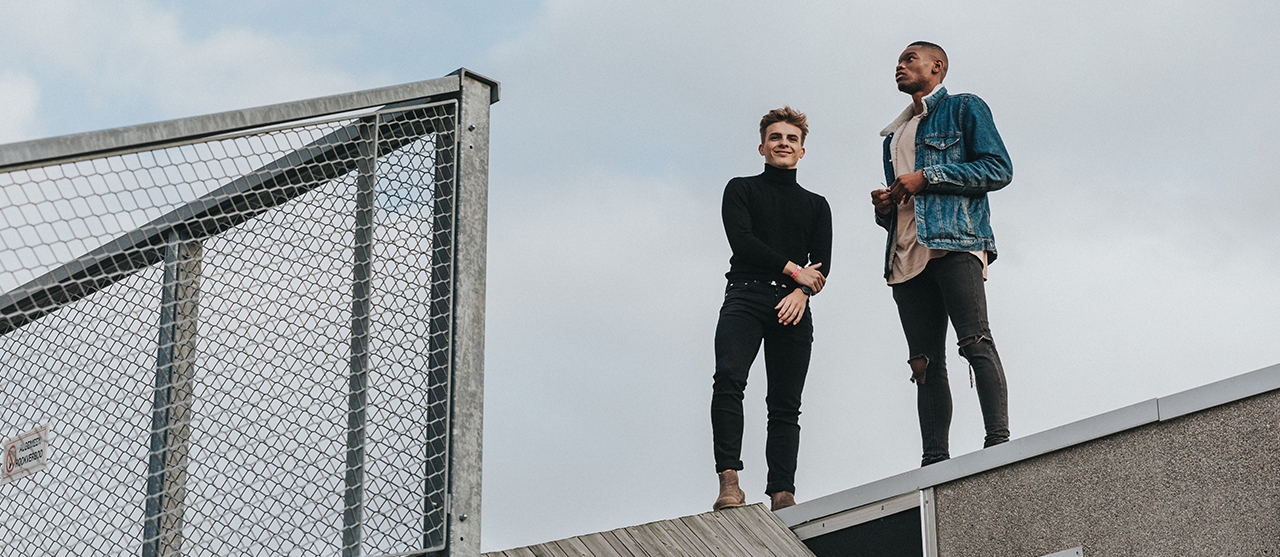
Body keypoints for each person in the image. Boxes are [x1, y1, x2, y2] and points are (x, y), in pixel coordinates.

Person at [870, 42, 1013, 467]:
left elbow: (998, 168)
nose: (899, 64)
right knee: (924, 365)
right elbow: (909, 202)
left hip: (955, 243)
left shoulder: (965, 107)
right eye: (898, 60)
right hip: (905, 255)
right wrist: (886, 209)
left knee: (974, 339)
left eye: (909, 59)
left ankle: (1000, 445)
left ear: (938, 67)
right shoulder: (892, 137)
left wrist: (927, 176)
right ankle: (934, 462)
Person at [712, 106, 832, 512]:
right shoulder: (741, 189)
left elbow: (822, 265)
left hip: (793, 304)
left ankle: (783, 492)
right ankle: (730, 481)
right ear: (762, 147)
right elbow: (743, 242)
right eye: (776, 138)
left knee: (785, 402)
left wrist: (802, 293)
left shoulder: (817, 205)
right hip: (746, 295)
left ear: (802, 151)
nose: (784, 144)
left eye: (792, 139)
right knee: (729, 380)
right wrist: (795, 271)